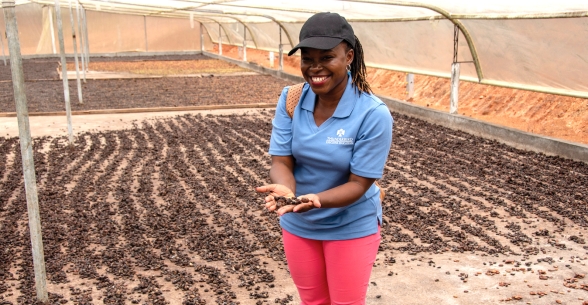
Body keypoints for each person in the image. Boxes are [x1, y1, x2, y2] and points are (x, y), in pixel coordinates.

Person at [255, 12, 393, 305]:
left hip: (350, 225)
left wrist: (316, 198)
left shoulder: (372, 114)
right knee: (313, 301)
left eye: (327, 57)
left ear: (348, 57)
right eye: (307, 58)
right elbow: (281, 161)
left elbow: (359, 183)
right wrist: (288, 193)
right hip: (299, 224)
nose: (315, 67)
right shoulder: (291, 99)